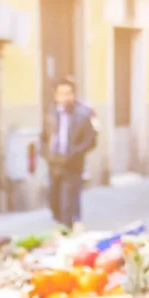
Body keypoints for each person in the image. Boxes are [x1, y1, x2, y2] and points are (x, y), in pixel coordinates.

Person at [41, 77, 98, 227]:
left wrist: (75, 153)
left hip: (72, 164)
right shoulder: (51, 112)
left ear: (73, 95)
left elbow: (90, 140)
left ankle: (67, 229)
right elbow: (43, 136)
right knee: (53, 201)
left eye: (68, 93)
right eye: (61, 93)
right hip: (54, 163)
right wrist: (45, 153)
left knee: (68, 203)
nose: (64, 97)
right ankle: (62, 225)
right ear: (56, 95)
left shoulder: (83, 114)